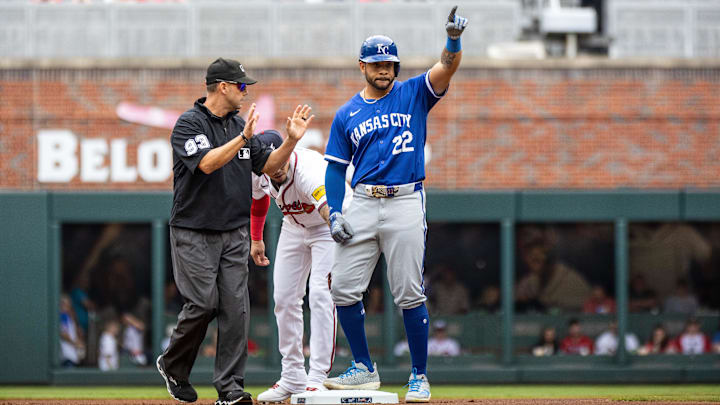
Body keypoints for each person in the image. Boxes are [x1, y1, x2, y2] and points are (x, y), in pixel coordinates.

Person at [321, 7, 468, 403]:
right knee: (344, 290)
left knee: (409, 292)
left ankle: (419, 375)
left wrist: (453, 41)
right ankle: (364, 368)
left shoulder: (413, 92)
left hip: (405, 200)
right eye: (377, 64)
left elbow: (446, 68)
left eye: (389, 63)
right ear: (362, 66)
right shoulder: (346, 113)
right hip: (364, 202)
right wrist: (336, 212)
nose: (384, 70)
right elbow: (335, 171)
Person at [156, 57, 313, 405]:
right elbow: (208, 163)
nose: (246, 92)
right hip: (193, 230)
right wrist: (243, 137)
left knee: (236, 310)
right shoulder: (189, 124)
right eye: (242, 86)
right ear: (223, 87)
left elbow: (270, 166)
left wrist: (290, 140)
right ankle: (173, 365)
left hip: (233, 232)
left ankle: (230, 388)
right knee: (202, 304)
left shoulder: (239, 124)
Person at [248, 130, 351, 402]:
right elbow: (259, 199)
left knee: (320, 293)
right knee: (283, 298)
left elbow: (326, 204)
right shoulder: (258, 170)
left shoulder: (307, 167)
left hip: (330, 223)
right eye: (271, 161)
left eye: (280, 157)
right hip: (294, 226)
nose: (278, 166)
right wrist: (256, 239)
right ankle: (293, 376)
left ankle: (317, 377)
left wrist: (337, 225)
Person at [516, 234, 591, 313]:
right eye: (529, 261)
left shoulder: (570, 279)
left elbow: (586, 307)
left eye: (536, 260)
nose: (532, 267)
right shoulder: (532, 278)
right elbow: (516, 295)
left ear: (549, 259)